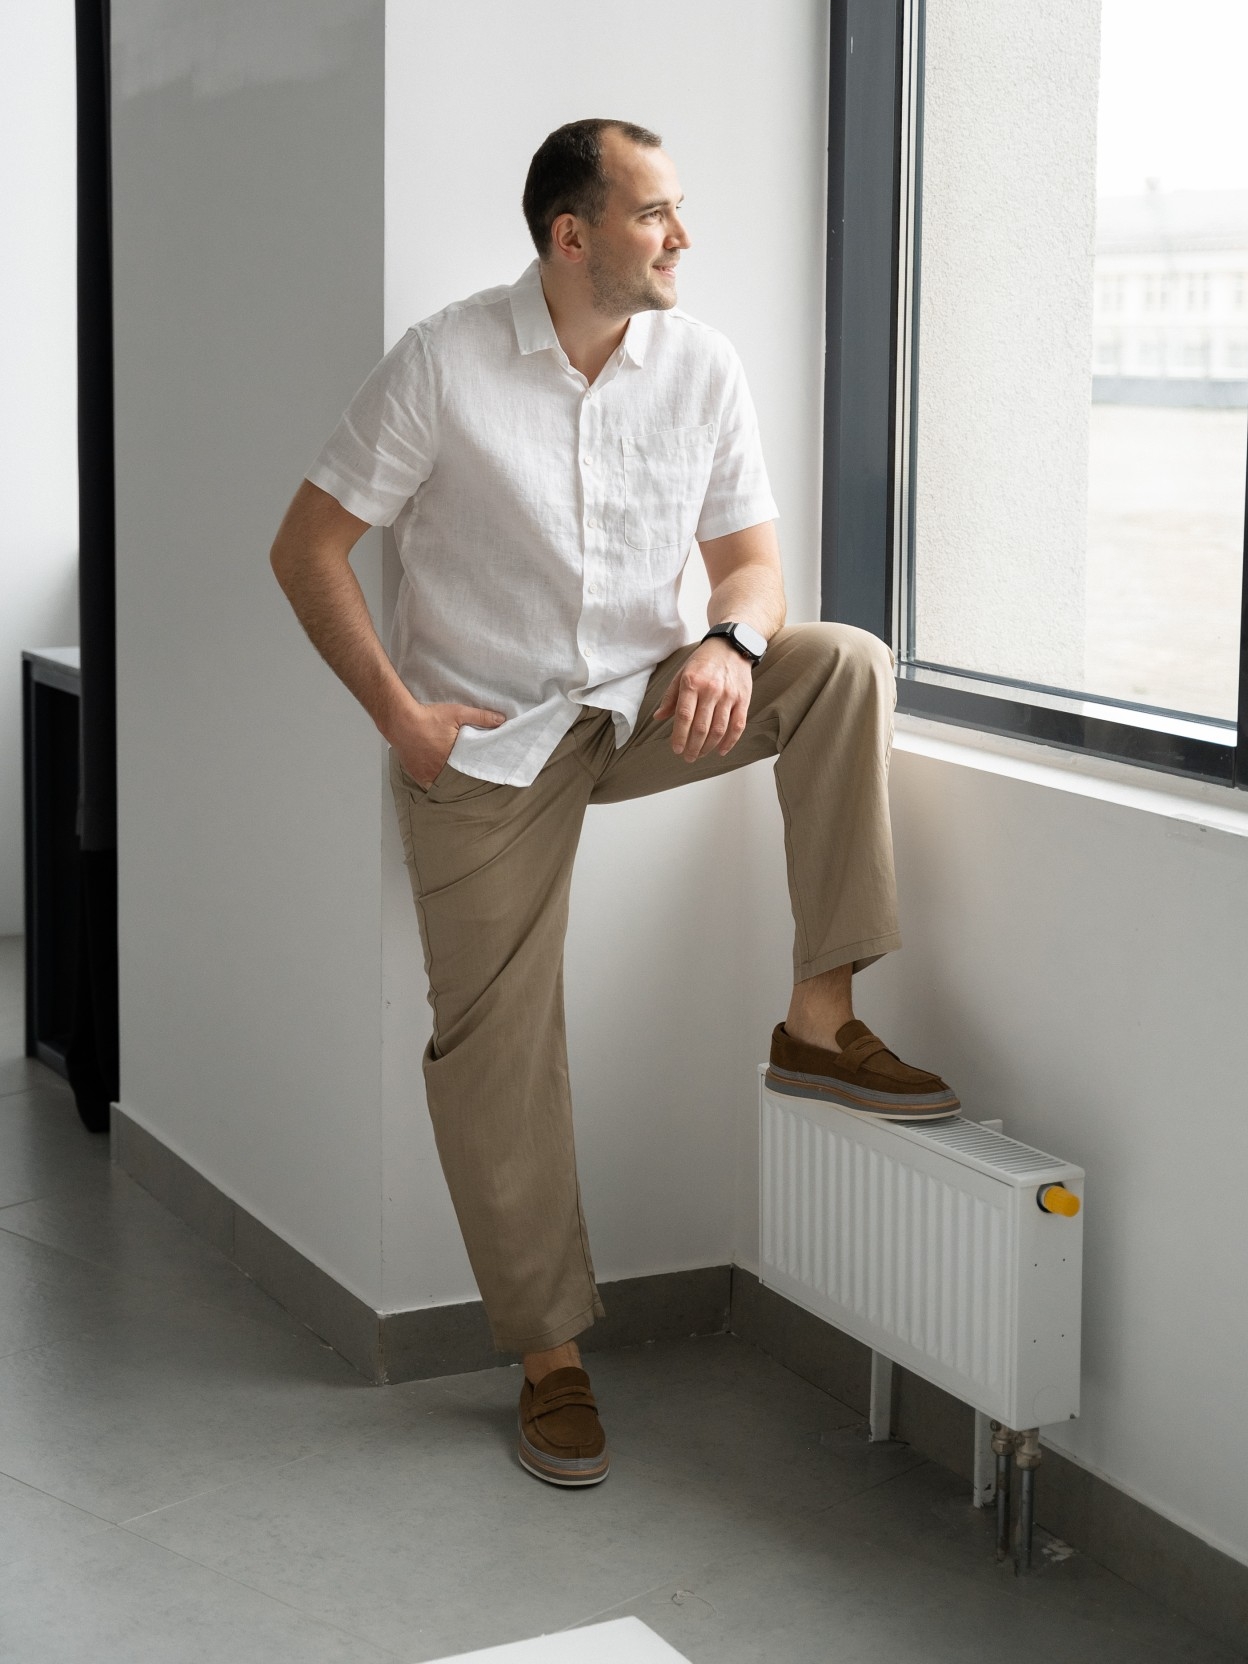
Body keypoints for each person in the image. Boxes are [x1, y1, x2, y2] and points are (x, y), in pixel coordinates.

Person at [270, 117, 959, 1489]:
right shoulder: (445, 362)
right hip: (489, 742)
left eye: (678, 209)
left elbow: (754, 566)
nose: (682, 236)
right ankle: (550, 1360)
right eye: (655, 214)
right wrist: (402, 717)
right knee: (494, 1043)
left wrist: (732, 642)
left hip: (649, 702)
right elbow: (308, 547)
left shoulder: (701, 365)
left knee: (842, 666)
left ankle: (818, 1018)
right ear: (571, 235)